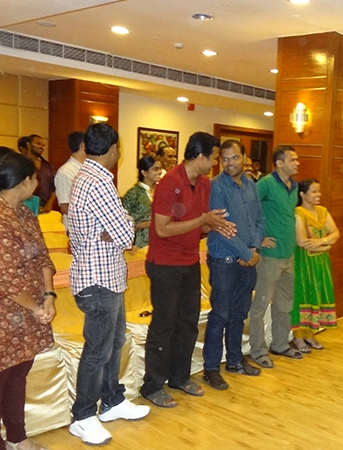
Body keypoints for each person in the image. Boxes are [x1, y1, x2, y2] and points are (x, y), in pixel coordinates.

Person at [68, 124, 150, 445]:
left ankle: (112, 401)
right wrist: (119, 226)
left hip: (106, 276)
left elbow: (118, 229)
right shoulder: (99, 181)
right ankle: (83, 415)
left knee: (114, 342)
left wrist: (115, 228)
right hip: (98, 278)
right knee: (98, 350)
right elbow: (126, 234)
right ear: (114, 149)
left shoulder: (84, 176)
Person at [140, 132, 235, 408]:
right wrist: (203, 220)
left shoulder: (203, 183)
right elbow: (162, 229)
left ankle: (179, 377)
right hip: (165, 264)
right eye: (213, 157)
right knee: (164, 326)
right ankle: (152, 386)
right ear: (201, 156)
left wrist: (215, 225)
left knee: (188, 322)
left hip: (189, 261)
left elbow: (199, 225)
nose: (215, 163)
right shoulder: (170, 182)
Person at [0, 151, 56, 450]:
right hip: (6, 317)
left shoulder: (24, 213)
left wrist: (48, 295)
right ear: (24, 182)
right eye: (35, 178)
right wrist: (36, 307)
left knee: (18, 375)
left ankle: (17, 437)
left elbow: (43, 257)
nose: (38, 184)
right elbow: (6, 279)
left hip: (28, 316)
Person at [202, 140, 264, 391]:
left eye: (235, 158)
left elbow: (260, 220)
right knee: (220, 315)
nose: (229, 163)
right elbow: (220, 227)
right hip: (224, 262)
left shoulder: (251, 185)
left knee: (239, 314)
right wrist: (246, 253)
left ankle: (235, 361)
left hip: (247, 260)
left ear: (244, 158)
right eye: (225, 159)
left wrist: (254, 249)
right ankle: (211, 369)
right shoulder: (216, 187)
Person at [249, 145, 303, 368]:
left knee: (284, 304)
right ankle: (257, 350)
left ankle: (280, 344)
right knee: (260, 306)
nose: (297, 163)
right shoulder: (266, 184)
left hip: (289, 254)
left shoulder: (294, 186)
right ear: (279, 163)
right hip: (270, 256)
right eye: (292, 159)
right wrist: (257, 239)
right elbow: (247, 209)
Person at [292, 178, 340, 353]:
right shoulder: (298, 213)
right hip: (303, 262)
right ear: (302, 194)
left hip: (321, 262)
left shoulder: (323, 211)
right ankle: (298, 337)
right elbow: (302, 241)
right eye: (314, 191)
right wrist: (326, 245)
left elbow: (336, 233)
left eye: (319, 191)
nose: (318, 194)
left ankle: (310, 334)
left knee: (317, 294)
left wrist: (321, 241)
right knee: (303, 294)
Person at [122, 156, 162, 248]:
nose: (160, 172)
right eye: (155, 169)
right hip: (140, 244)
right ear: (144, 172)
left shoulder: (163, 191)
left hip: (161, 242)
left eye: (160, 168)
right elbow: (122, 223)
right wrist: (144, 224)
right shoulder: (133, 194)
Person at [55, 131, 86, 230]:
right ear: (83, 146)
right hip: (75, 229)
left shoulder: (86, 168)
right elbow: (65, 207)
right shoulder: (66, 171)